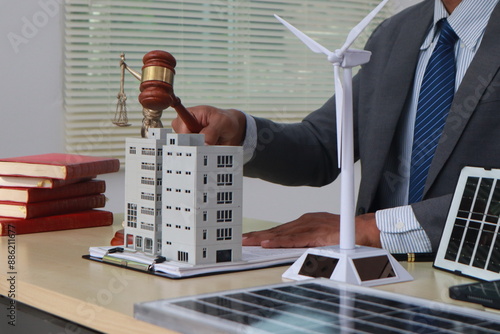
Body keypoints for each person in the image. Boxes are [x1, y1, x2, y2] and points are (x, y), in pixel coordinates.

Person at [172, 0, 500, 253]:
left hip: (472, 280)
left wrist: (377, 228)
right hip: (374, 276)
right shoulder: (395, 33)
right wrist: (241, 133)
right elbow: (324, 145)